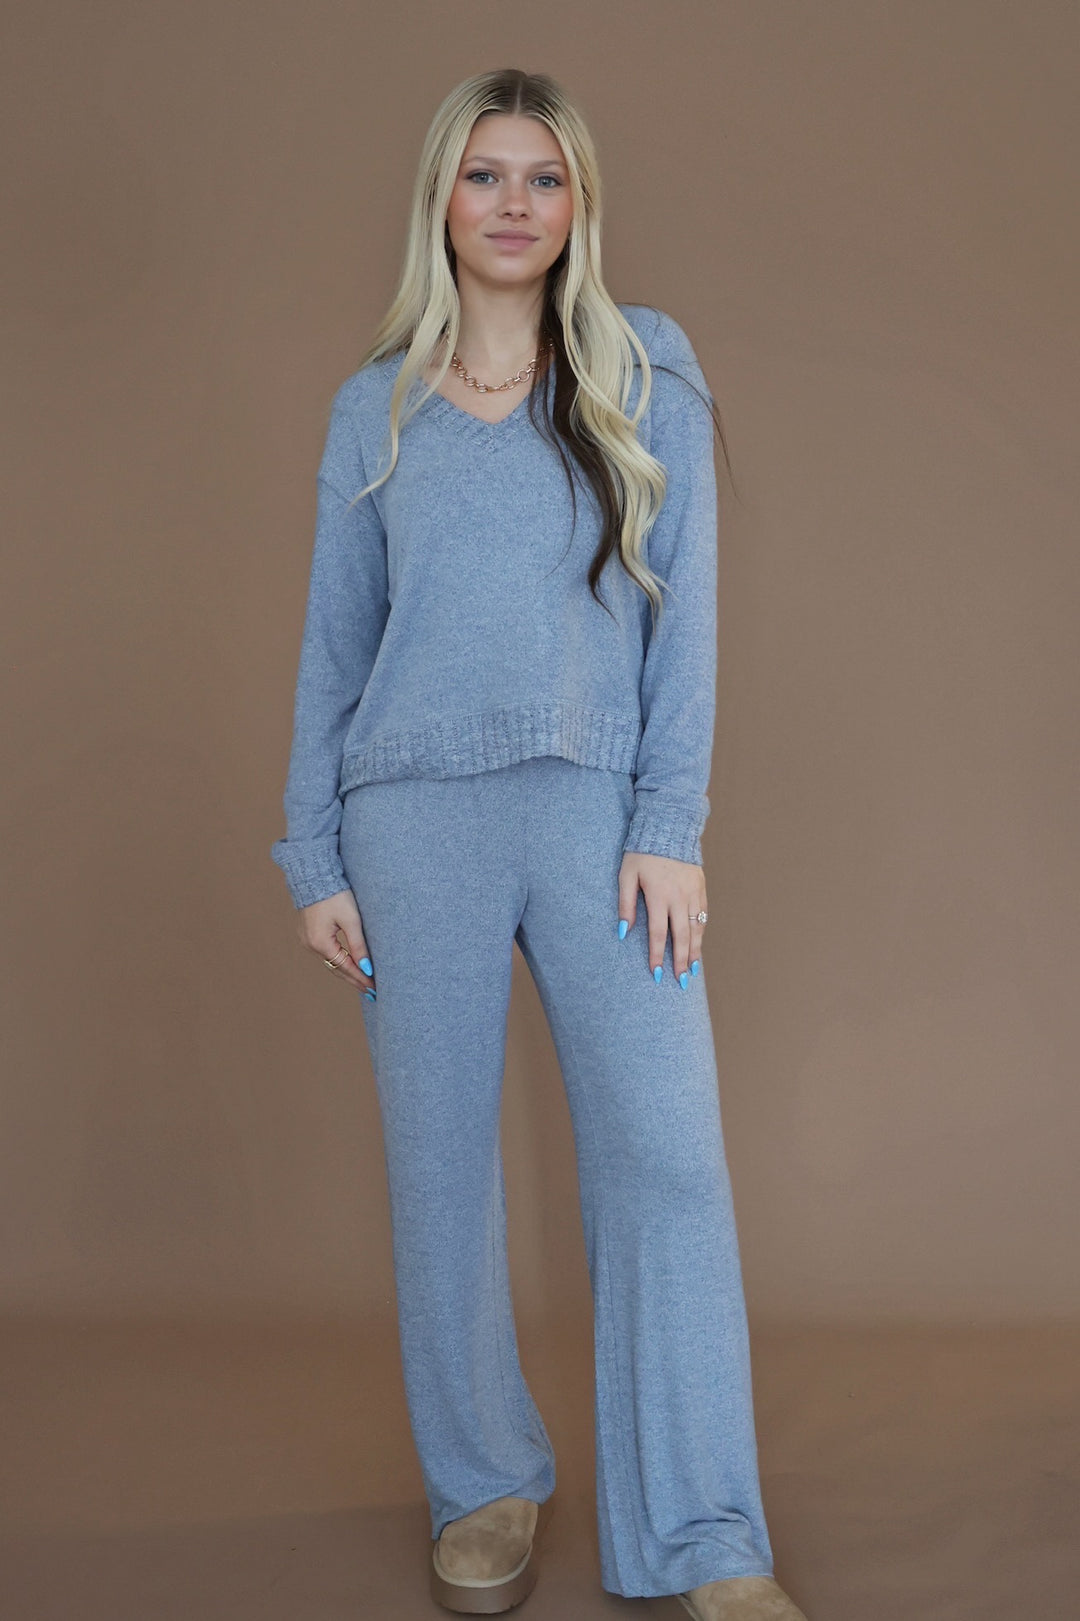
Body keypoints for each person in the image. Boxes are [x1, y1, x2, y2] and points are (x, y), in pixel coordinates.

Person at [270, 67, 810, 1621]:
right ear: (441, 201)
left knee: (667, 1156)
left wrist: (670, 823)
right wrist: (313, 851)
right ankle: (484, 1480)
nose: (514, 204)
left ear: (579, 206)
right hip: (409, 823)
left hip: (598, 817)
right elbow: (333, 644)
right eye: (486, 174)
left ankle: (708, 1532)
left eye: (545, 178)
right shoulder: (372, 410)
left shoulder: (648, 374)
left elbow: (686, 619)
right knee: (439, 1171)